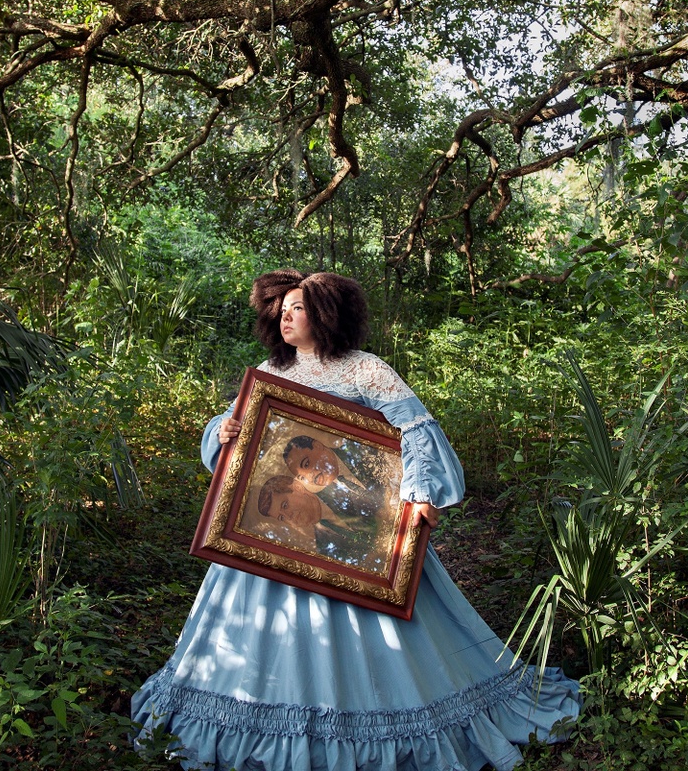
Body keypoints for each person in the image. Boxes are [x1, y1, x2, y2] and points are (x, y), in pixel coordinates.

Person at [133, 269, 582, 771]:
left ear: (325, 314)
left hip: (368, 534)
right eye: (281, 310)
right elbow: (243, 452)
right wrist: (225, 430)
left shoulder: (365, 370)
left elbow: (415, 431)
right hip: (272, 541)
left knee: (393, 629)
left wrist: (419, 494)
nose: (286, 317)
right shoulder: (270, 373)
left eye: (297, 308)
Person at [254, 474, 382, 569]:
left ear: (297, 487)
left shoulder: (342, 485)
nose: (289, 516)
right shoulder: (324, 549)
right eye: (281, 518)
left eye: (285, 505)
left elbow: (385, 507)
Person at [283, 434, 388, 523]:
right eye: (302, 477)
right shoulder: (334, 503)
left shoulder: (358, 447)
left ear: (318, 446)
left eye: (306, 464)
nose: (310, 477)